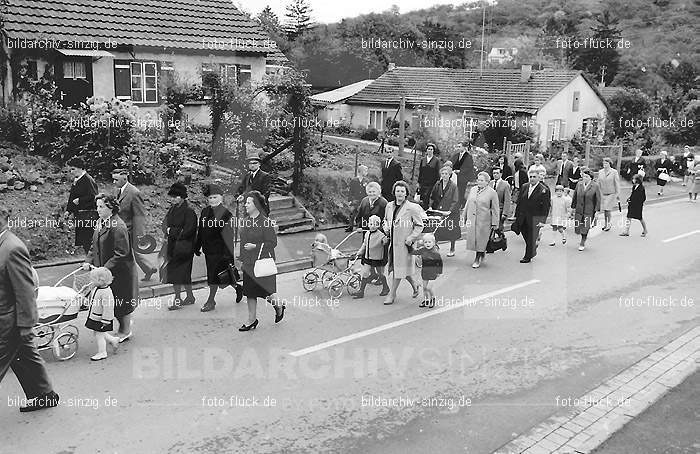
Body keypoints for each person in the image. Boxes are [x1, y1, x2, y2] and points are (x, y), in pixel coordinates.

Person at [0, 207, 59, 412]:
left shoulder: (12, 248)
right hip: (8, 319)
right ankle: (45, 394)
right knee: (24, 355)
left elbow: (25, 291)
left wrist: (26, 325)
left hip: (8, 321)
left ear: (3, 219)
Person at [83, 194, 138, 341]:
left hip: (120, 273)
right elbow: (93, 245)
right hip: (106, 272)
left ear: (111, 208)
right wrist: (88, 260)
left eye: (101, 206)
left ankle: (125, 331)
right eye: (97, 206)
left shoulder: (118, 226)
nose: (98, 210)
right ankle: (123, 326)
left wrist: (103, 269)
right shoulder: (100, 222)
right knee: (112, 302)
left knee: (121, 303)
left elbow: (122, 253)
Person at [238, 190, 284, 331]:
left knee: (268, 293)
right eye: (245, 202)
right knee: (250, 292)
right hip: (249, 263)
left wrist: (256, 247)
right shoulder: (245, 222)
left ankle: (279, 306)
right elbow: (243, 243)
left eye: (248, 202)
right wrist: (241, 258)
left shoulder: (265, 222)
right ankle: (252, 320)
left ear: (256, 205)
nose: (245, 205)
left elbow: (272, 242)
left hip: (263, 263)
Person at [194, 183, 236, 312]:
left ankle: (211, 301)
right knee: (221, 276)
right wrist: (197, 246)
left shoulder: (225, 214)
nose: (212, 200)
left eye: (215, 197)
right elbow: (201, 230)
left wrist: (228, 255)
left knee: (213, 276)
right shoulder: (205, 211)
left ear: (221, 198)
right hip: (208, 250)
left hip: (220, 252)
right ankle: (238, 288)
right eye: (210, 198)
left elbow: (229, 238)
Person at [383, 181, 424, 305]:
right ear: (394, 192)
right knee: (401, 268)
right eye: (397, 191)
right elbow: (385, 220)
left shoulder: (412, 208)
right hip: (392, 243)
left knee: (398, 269)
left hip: (404, 244)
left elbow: (419, 225)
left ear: (406, 193)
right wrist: (386, 229)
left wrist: (411, 238)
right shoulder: (389, 206)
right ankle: (415, 285)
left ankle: (392, 294)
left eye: (402, 191)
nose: (399, 193)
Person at [112, 169, 158, 282]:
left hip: (130, 229)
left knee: (126, 253)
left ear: (124, 178)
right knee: (131, 253)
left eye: (116, 179)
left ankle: (126, 277)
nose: (114, 182)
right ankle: (149, 268)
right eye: (113, 179)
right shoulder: (118, 190)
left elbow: (139, 215)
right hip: (121, 228)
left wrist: (140, 235)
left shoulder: (134, 193)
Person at [161, 183, 197, 310]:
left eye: (175, 197)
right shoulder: (172, 210)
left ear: (182, 197)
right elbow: (164, 225)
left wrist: (171, 231)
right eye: (172, 197)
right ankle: (190, 296)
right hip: (173, 246)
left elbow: (188, 230)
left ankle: (177, 299)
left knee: (179, 273)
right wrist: (171, 230)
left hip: (184, 247)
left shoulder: (189, 212)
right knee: (182, 273)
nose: (173, 199)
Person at [512, 168, 551, 263]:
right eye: (531, 177)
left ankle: (527, 256)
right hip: (523, 216)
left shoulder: (543, 190)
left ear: (538, 178)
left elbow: (546, 207)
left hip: (535, 218)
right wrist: (516, 215)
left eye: (534, 177)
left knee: (531, 238)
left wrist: (542, 221)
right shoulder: (525, 186)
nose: (532, 179)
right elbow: (520, 202)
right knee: (525, 235)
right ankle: (532, 249)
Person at [464, 172, 500, 269]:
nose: (479, 182)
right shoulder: (473, 189)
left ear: (487, 182)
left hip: (484, 220)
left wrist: (495, 222)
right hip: (472, 219)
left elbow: (495, 209)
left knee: (481, 239)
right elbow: (468, 203)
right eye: (478, 180)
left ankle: (477, 258)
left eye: (482, 180)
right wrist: (464, 217)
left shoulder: (492, 192)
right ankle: (482, 253)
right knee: (474, 239)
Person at [64, 157, 98, 255]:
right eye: (70, 169)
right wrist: (68, 210)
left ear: (81, 168)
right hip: (80, 214)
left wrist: (80, 200)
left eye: (73, 169)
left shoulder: (88, 179)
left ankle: (93, 260)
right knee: (83, 239)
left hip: (88, 214)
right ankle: (89, 259)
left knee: (88, 238)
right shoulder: (77, 180)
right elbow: (72, 197)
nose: (71, 172)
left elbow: (94, 196)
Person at [85, 267, 120, 361]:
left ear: (100, 281)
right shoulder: (99, 288)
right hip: (96, 316)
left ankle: (102, 352)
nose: (91, 281)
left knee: (99, 335)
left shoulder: (106, 293)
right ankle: (113, 340)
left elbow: (108, 308)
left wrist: (106, 320)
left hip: (101, 318)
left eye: (93, 280)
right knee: (98, 332)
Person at [352, 215, 390, 298]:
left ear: (378, 225)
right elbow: (364, 244)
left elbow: (384, 243)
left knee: (380, 273)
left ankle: (386, 287)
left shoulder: (381, 235)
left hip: (377, 258)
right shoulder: (367, 234)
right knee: (365, 273)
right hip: (368, 257)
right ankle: (361, 291)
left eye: (375, 224)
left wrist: (386, 240)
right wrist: (360, 252)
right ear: (368, 224)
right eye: (371, 224)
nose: (372, 226)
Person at [430, 165, 461, 257]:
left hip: (451, 212)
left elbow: (455, 200)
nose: (444, 175)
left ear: (449, 175)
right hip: (440, 210)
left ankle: (452, 248)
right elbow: (432, 196)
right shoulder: (437, 184)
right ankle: (433, 247)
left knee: (451, 230)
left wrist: (450, 211)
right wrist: (431, 206)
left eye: (446, 174)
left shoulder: (453, 186)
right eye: (442, 174)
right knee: (436, 229)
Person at [571, 168, 602, 251]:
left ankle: (582, 242)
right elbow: (575, 197)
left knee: (586, 227)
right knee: (579, 226)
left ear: (591, 178)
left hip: (589, 210)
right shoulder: (579, 184)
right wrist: (573, 208)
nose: (585, 178)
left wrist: (597, 211)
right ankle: (582, 237)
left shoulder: (595, 186)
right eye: (584, 176)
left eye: (587, 176)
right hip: (579, 209)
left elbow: (598, 199)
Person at [409, 233, 443, 308]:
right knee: (424, 288)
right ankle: (426, 300)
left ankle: (432, 298)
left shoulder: (435, 253)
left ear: (434, 243)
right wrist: (409, 245)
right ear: (423, 243)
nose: (427, 244)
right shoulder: (422, 250)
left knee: (429, 288)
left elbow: (440, 263)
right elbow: (413, 252)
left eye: (429, 242)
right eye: (425, 242)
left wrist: (439, 272)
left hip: (433, 273)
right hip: (424, 272)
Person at [236, 148, 272, 214]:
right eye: (250, 163)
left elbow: (266, 193)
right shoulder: (247, 176)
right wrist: (241, 195)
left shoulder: (265, 176)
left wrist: (256, 202)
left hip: (260, 207)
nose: (252, 165)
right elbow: (242, 188)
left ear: (259, 164)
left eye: (255, 163)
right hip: (248, 208)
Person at [449, 140, 476, 209]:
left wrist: (460, 171)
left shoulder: (468, 156)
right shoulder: (456, 155)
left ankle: (460, 205)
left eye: (460, 147)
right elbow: (451, 162)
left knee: (461, 191)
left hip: (463, 177)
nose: (458, 148)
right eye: (458, 147)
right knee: (455, 190)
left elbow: (469, 167)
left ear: (464, 147)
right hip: (455, 177)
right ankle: (457, 203)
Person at [597, 157, 621, 231]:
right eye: (604, 163)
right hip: (603, 193)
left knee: (607, 208)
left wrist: (617, 194)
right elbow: (598, 182)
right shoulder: (600, 172)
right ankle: (606, 223)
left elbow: (617, 183)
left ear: (609, 164)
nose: (604, 164)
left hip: (611, 193)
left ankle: (608, 224)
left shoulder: (614, 172)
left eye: (606, 163)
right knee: (605, 210)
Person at [417, 143, 441, 210]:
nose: (430, 150)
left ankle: (426, 211)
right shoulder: (423, 159)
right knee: (422, 198)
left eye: (431, 149)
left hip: (431, 183)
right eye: (428, 149)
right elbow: (420, 171)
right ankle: (421, 211)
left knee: (427, 197)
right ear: (426, 150)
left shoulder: (436, 160)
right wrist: (418, 182)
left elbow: (437, 172)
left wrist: (437, 183)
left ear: (433, 151)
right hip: (423, 182)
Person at [347, 165, 369, 232]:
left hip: (363, 200)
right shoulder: (354, 180)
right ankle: (350, 226)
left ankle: (361, 226)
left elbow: (368, 191)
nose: (366, 172)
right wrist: (350, 200)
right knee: (352, 213)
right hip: (355, 200)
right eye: (365, 171)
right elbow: (350, 191)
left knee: (363, 213)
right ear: (361, 171)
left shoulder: (367, 181)